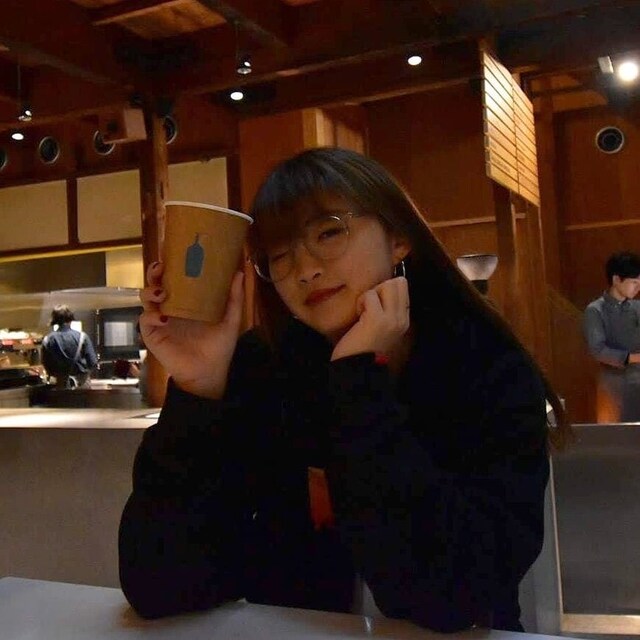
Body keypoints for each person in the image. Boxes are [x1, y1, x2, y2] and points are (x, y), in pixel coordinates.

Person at [119, 148, 570, 632]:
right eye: (279, 255)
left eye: (329, 232)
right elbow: (160, 584)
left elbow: (451, 598)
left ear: (399, 238)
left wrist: (359, 380)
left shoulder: (487, 366)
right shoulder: (266, 366)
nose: (304, 269)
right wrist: (198, 389)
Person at [583, 251, 640, 422]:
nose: (638, 288)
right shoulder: (595, 310)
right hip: (614, 382)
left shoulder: (637, 307)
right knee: (617, 431)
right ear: (616, 280)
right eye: (634, 282)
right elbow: (598, 350)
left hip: (638, 377)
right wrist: (633, 358)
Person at [41, 305, 98, 389]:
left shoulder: (47, 340)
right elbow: (92, 362)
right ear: (71, 319)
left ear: (54, 320)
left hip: (60, 384)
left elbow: (47, 365)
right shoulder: (82, 337)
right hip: (81, 384)